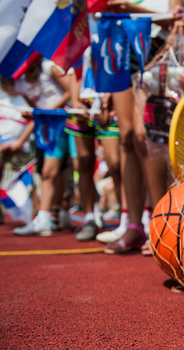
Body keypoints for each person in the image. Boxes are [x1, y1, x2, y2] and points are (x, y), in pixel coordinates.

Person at [104, 0, 184, 254]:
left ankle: (160, 220)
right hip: (123, 59)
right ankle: (133, 223)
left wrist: (130, 10)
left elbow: (177, 17)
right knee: (126, 137)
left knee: (146, 136)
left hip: (154, 55)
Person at [64, 44, 124, 242]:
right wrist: (75, 102)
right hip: (82, 104)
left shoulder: (108, 30)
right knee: (83, 160)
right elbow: (74, 72)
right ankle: (89, 217)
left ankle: (126, 218)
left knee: (115, 164)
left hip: (107, 103)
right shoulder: (79, 34)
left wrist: (109, 95)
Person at [8, 59, 71, 236]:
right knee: (49, 172)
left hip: (61, 125)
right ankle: (50, 216)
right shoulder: (20, 83)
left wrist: (50, 110)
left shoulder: (48, 68)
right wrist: (32, 114)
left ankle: (47, 217)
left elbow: (71, 90)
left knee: (50, 172)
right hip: (44, 130)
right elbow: (34, 108)